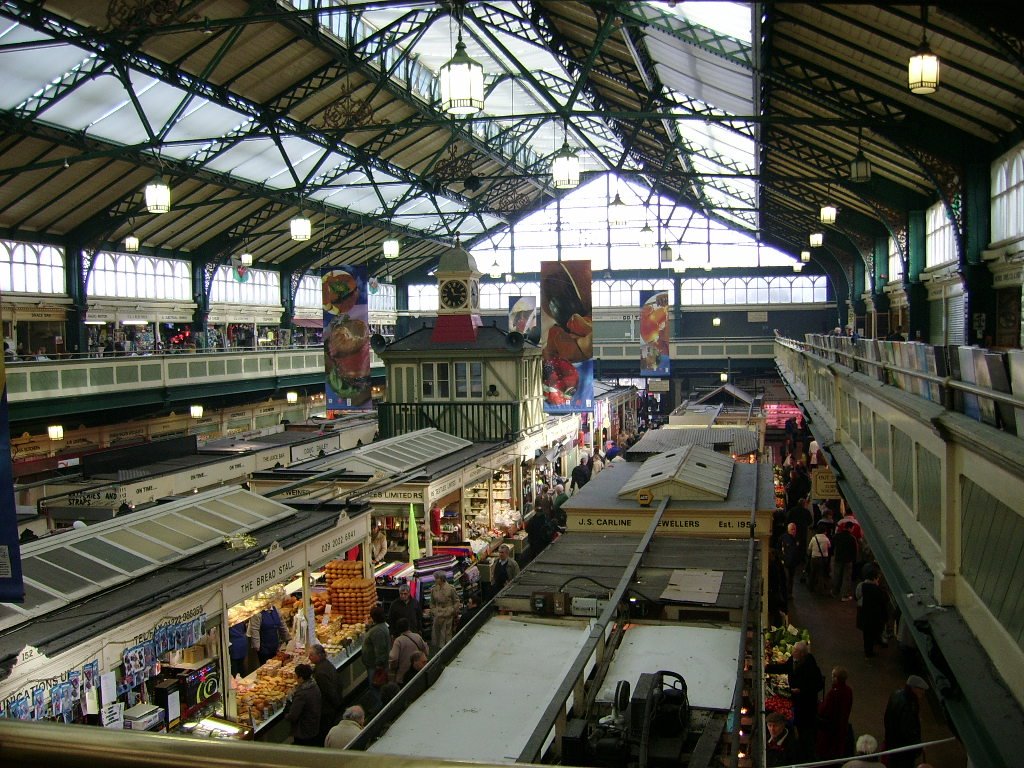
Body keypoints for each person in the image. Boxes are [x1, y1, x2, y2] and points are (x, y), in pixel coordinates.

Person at [765, 640, 824, 760]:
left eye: (795, 651)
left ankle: (807, 753)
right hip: (796, 700)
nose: (793, 652)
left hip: (807, 704)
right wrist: (767, 668)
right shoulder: (793, 660)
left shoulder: (811, 666)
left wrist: (802, 690)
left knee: (805, 728)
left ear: (802, 653)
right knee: (799, 723)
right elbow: (785, 667)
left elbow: (818, 685)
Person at [884, 676, 929, 768]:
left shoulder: (895, 694)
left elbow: (887, 718)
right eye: (921, 689)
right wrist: (918, 745)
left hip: (892, 743)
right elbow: (908, 731)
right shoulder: (909, 706)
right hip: (904, 750)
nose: (923, 693)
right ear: (913, 688)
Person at [816, 666, 853, 760]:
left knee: (827, 749)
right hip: (841, 725)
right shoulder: (848, 690)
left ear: (836, 678)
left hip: (830, 727)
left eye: (833, 676)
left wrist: (820, 704)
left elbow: (824, 710)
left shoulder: (833, 693)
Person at [308, 643, 342, 742]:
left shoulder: (320, 673)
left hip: (327, 708)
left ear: (319, 656)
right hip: (333, 705)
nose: (309, 657)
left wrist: (335, 704)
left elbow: (329, 692)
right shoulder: (326, 664)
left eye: (311, 655)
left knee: (325, 729)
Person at [285, 663, 322, 747]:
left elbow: (293, 715)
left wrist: (289, 702)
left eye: (296, 675)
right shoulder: (314, 686)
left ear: (301, 678)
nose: (295, 677)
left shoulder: (302, 694)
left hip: (303, 730)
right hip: (314, 725)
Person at [362, 605, 390, 709]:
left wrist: (379, 665)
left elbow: (380, 650)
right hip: (375, 664)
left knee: (375, 686)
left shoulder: (378, 631)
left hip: (375, 665)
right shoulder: (380, 627)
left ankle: (379, 708)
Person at [858, 569, 888, 658]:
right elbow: (883, 601)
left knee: (866, 635)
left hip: (864, 614)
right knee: (872, 634)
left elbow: (857, 596)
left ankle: (867, 651)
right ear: (875, 578)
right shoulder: (878, 590)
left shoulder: (861, 586)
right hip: (874, 617)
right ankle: (870, 651)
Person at [388, 617, 428, 684]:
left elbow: (393, 658)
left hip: (403, 675)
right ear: (408, 626)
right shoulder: (417, 636)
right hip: (417, 671)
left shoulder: (398, 641)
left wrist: (391, 669)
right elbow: (426, 651)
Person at [428, 571, 459, 650]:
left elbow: (456, 601)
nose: (435, 580)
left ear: (441, 579)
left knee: (446, 635)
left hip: (447, 615)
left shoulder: (450, 588)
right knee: (436, 635)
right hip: (437, 615)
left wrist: (452, 610)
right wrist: (434, 611)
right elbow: (432, 602)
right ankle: (437, 650)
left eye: (437, 578)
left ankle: (447, 650)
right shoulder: (434, 589)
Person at [831, 522, 858, 600]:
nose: (852, 530)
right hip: (848, 560)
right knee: (846, 577)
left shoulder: (837, 536)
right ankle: (845, 595)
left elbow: (832, 545)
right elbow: (855, 551)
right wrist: (854, 560)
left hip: (838, 558)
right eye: (852, 528)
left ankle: (834, 592)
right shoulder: (852, 538)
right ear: (849, 528)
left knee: (837, 576)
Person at [806, 525, 831, 594]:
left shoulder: (814, 538)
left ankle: (811, 587)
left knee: (813, 573)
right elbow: (829, 546)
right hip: (823, 558)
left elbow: (809, 547)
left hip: (814, 558)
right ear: (824, 531)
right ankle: (820, 589)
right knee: (821, 574)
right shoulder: (826, 539)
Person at [779, 523, 801, 597]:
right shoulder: (784, 538)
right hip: (786, 562)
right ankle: (785, 593)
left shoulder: (796, 538)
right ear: (788, 530)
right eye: (792, 529)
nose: (794, 531)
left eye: (795, 529)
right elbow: (779, 549)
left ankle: (789, 593)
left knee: (791, 578)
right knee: (787, 578)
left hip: (793, 563)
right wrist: (782, 558)